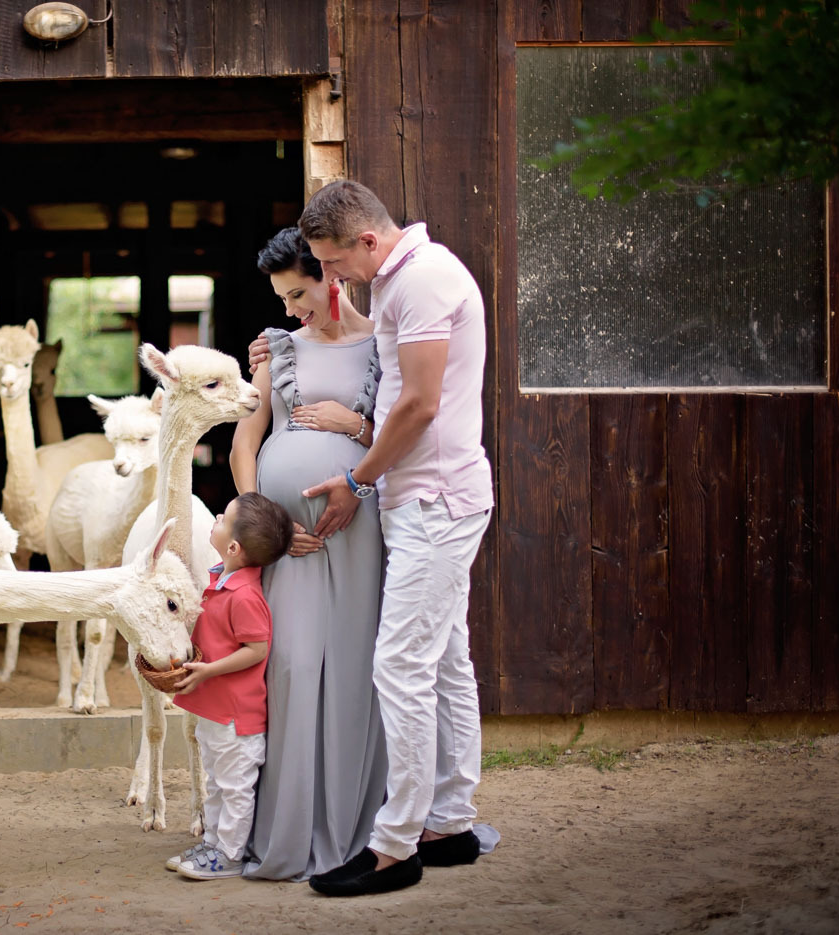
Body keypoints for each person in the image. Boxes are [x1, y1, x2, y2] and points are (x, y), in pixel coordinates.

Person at [268, 180, 493, 897]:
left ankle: (395, 845)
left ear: (367, 240)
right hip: (423, 497)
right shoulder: (404, 282)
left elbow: (421, 403)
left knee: (398, 665)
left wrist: (358, 480)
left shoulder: (421, 282)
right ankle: (450, 821)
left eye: (335, 265)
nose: (334, 281)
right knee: (447, 657)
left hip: (433, 498)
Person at [227, 227, 390, 882]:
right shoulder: (276, 349)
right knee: (290, 664)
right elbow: (245, 443)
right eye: (282, 297)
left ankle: (354, 829)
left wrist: (354, 427)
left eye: (298, 292)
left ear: (332, 275)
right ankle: (286, 829)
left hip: (356, 529)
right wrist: (263, 518)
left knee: (353, 666)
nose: (290, 309)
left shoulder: (384, 344)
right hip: (285, 540)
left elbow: (409, 430)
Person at [165, 492, 293, 881]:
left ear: (234, 547)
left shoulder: (245, 596)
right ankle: (214, 844)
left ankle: (230, 854)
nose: (216, 516)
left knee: (235, 785)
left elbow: (257, 649)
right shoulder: (220, 580)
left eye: (223, 518)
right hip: (217, 711)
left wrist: (208, 670)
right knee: (216, 782)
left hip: (238, 716)